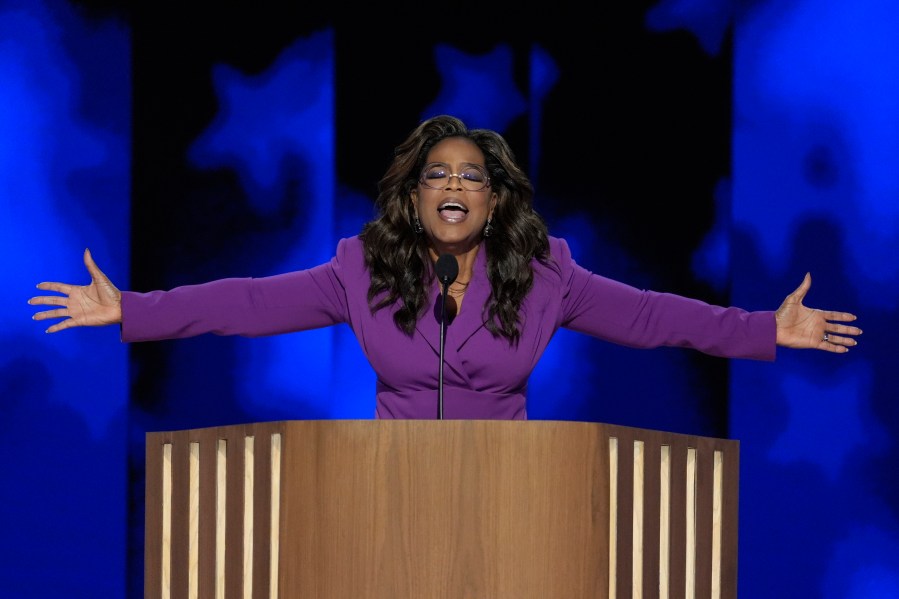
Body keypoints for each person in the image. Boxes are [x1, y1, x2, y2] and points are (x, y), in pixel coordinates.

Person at [29, 114, 862, 419]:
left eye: (472, 174)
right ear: (414, 197)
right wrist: (132, 310)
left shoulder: (547, 275)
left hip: (512, 500)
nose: (455, 183)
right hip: (391, 498)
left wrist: (764, 327)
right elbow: (244, 301)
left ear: (496, 201)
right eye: (438, 173)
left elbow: (651, 315)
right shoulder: (360, 270)